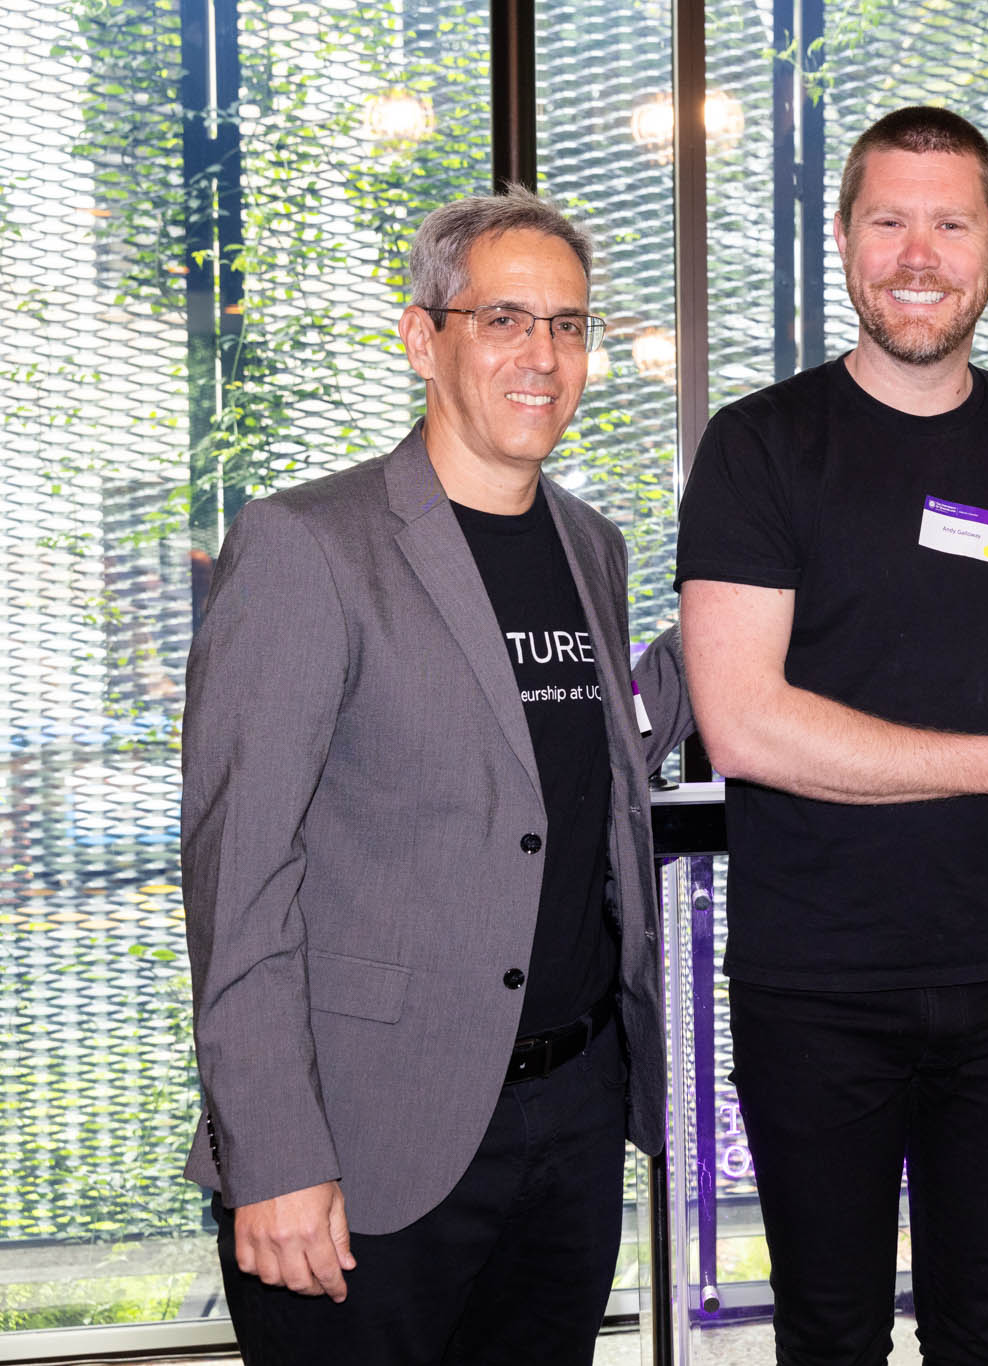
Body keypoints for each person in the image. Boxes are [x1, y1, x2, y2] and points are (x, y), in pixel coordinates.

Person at [675, 105, 988, 1365]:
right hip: (817, 981)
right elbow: (741, 722)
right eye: (888, 219)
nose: (917, 252)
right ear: (843, 239)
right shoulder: (759, 447)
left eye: (949, 223)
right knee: (831, 1331)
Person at [180, 187, 693, 1366]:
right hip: (365, 1135)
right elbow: (238, 877)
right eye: (505, 318)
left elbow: (586, 753)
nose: (544, 355)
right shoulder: (309, 546)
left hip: (567, 1119)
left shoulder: (588, 545)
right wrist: (275, 1153)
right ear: (424, 337)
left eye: (568, 325)